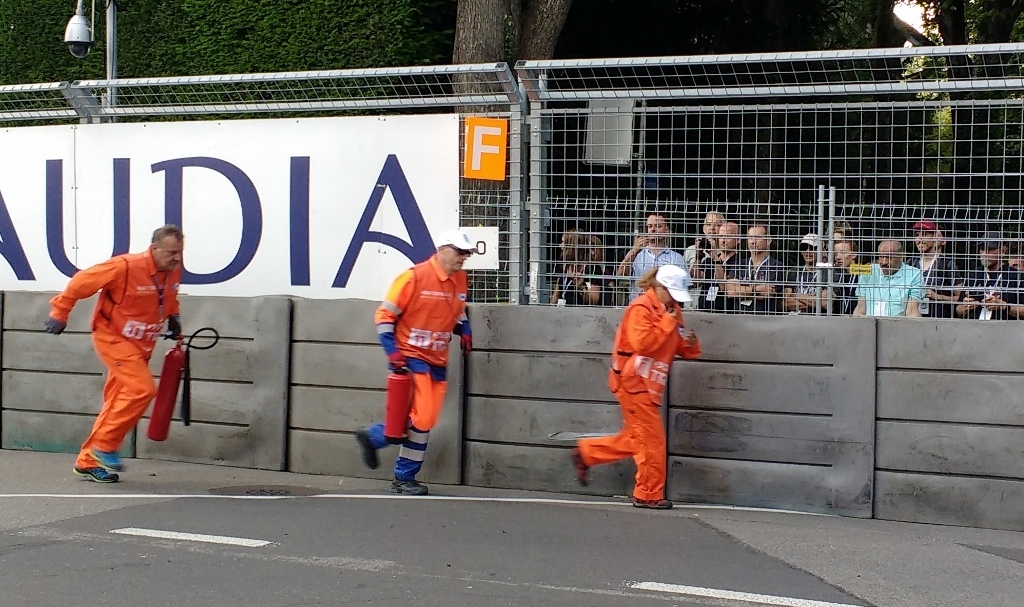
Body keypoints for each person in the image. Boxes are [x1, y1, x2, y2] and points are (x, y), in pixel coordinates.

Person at [44, 225, 185, 483]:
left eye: (180, 252)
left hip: (141, 345)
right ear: (154, 249)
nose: (177, 258)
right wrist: (59, 312)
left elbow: (169, 295)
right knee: (142, 389)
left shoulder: (171, 269)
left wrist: (174, 318)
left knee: (116, 400)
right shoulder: (125, 267)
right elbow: (80, 283)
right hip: (113, 338)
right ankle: (104, 446)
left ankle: (87, 461)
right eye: (172, 252)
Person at [571, 265, 702, 510]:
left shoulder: (672, 310)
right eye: (672, 293)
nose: (676, 300)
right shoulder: (641, 308)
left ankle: (587, 453)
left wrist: (691, 345)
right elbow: (642, 343)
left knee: (637, 439)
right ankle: (647, 494)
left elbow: (678, 346)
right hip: (633, 382)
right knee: (651, 442)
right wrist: (667, 323)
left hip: (647, 384)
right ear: (659, 288)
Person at [356, 229, 474, 495]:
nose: (463, 257)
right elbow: (384, 315)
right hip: (410, 358)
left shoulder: (460, 280)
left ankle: (376, 438)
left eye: (466, 253)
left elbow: (457, 310)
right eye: (459, 251)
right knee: (422, 418)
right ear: (441, 249)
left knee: (426, 419)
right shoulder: (413, 277)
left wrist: (464, 329)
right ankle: (402, 476)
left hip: (436, 359)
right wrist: (393, 353)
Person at [616, 213, 685, 301]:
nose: (653, 229)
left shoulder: (676, 258)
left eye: (658, 226)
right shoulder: (636, 254)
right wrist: (633, 251)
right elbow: (620, 276)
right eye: (650, 226)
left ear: (667, 230)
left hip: (664, 310)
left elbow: (684, 288)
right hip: (640, 308)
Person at [853, 240, 923, 318]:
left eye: (889, 257)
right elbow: (860, 309)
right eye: (881, 257)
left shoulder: (914, 274)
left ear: (901, 256)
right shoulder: (868, 271)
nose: (883, 262)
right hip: (869, 326)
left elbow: (912, 312)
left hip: (898, 327)